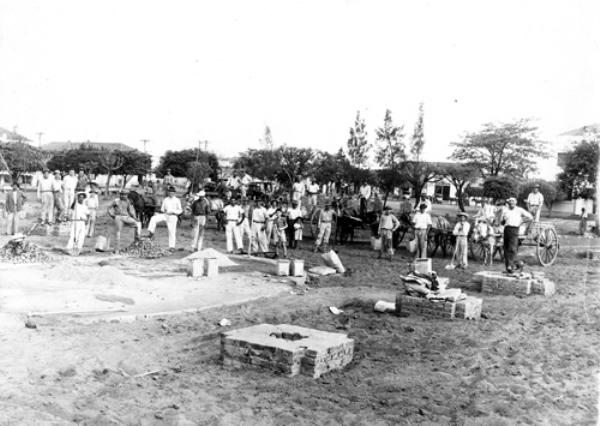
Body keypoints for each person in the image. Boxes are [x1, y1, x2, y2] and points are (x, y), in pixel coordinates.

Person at [501, 197, 533, 273]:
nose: (511, 203)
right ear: (508, 203)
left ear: (516, 202)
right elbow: (502, 221)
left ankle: (512, 266)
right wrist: (502, 221)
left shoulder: (519, 210)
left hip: (514, 229)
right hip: (506, 229)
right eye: (510, 201)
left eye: (513, 201)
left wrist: (521, 221)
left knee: (512, 248)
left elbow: (530, 217)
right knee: (506, 248)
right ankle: (508, 268)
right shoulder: (505, 210)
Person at [147, 186, 182, 250]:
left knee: (171, 231)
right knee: (153, 218)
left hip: (173, 216)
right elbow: (162, 209)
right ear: (168, 192)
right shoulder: (166, 199)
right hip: (165, 215)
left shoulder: (177, 200)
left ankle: (172, 247)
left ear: (174, 193)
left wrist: (173, 212)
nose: (170, 193)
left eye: (172, 192)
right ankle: (151, 233)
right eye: (169, 192)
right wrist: (160, 212)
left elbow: (180, 211)